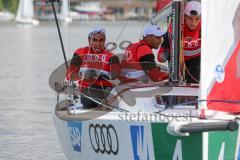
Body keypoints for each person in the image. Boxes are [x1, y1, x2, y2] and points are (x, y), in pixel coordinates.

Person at [66, 27, 120, 109]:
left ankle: (105, 107)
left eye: (101, 40)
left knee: (110, 93)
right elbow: (70, 76)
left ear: (104, 41)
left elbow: (117, 76)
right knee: (89, 94)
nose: (98, 44)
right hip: (87, 92)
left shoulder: (112, 57)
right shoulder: (80, 53)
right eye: (94, 40)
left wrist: (109, 76)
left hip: (106, 92)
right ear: (89, 40)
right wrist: (84, 75)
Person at [158, 0, 201, 83]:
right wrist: (162, 56)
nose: (193, 23)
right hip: (177, 61)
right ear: (184, 17)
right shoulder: (175, 26)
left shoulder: (204, 26)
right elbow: (162, 51)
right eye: (190, 18)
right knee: (175, 76)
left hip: (196, 61)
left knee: (197, 70)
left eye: (197, 19)